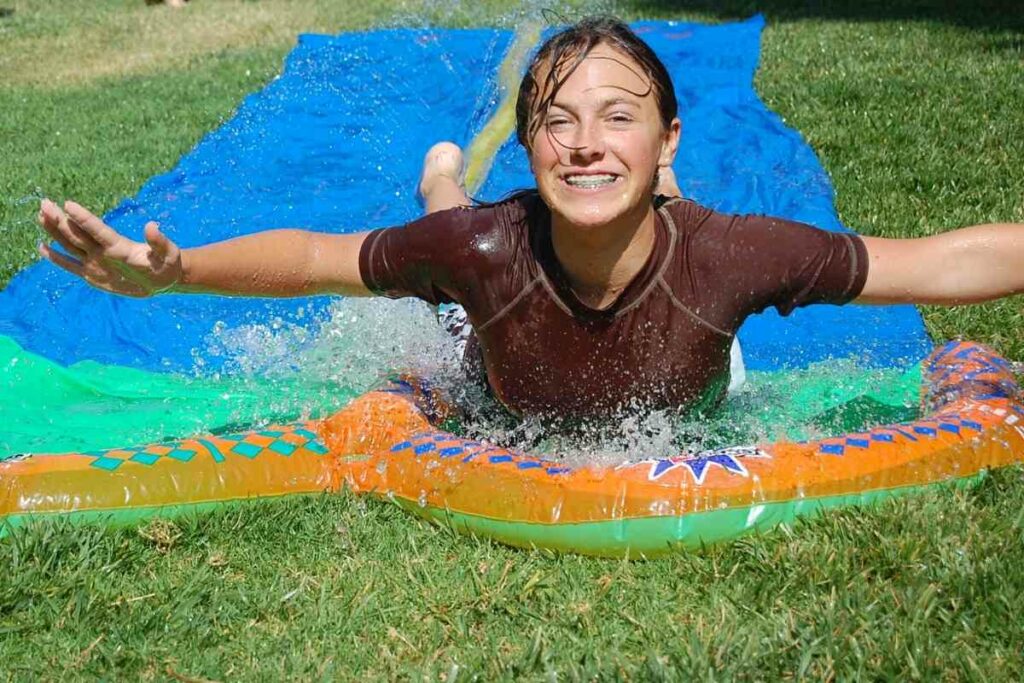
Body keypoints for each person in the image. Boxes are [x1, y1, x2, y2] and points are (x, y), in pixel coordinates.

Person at [37, 17, 1023, 421]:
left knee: (655, 225)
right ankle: (441, 177)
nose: (583, 142)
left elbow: (935, 264)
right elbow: (315, 257)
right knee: (446, 249)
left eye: (618, 117)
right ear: (529, 145)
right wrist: (177, 270)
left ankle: (647, 182)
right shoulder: (487, 245)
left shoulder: (731, 255)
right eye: (558, 122)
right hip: (491, 312)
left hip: (679, 307)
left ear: (668, 135)